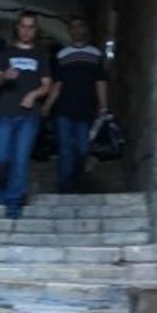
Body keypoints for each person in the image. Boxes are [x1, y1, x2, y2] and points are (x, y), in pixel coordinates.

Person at [0, 12, 53, 219]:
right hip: (5, 112)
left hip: (29, 115)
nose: (27, 31)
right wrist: (4, 77)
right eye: (23, 26)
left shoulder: (41, 55)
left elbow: (47, 85)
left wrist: (33, 95)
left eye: (31, 27)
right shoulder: (5, 54)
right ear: (17, 28)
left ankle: (14, 201)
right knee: (0, 157)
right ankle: (6, 187)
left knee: (20, 159)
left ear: (35, 30)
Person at [43, 17, 109, 193]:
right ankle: (65, 186)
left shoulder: (95, 54)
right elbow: (58, 83)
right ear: (69, 31)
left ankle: (77, 177)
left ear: (85, 30)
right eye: (73, 27)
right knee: (64, 148)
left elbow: (100, 81)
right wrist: (48, 105)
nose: (76, 30)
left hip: (86, 109)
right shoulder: (62, 55)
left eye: (80, 26)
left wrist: (103, 105)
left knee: (82, 148)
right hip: (64, 108)